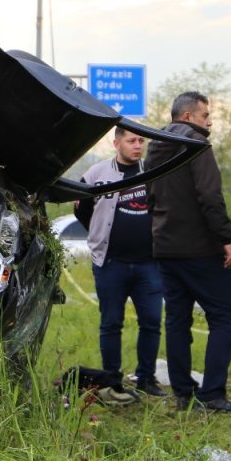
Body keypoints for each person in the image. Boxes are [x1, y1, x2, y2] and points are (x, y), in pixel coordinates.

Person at [145, 92, 231, 413]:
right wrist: (226, 238)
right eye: (205, 115)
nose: (210, 121)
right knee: (224, 314)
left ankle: (182, 393)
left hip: (166, 247)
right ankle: (213, 393)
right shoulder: (196, 145)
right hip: (200, 248)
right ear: (187, 117)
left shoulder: (154, 147)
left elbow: (149, 196)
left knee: (176, 321)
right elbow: (209, 195)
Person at [75, 127, 164, 404]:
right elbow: (81, 208)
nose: (137, 146)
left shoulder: (153, 172)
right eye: (131, 141)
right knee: (111, 322)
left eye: (141, 141)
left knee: (151, 322)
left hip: (149, 264)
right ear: (117, 143)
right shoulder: (96, 174)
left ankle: (146, 377)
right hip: (111, 262)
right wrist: (99, 233)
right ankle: (112, 378)